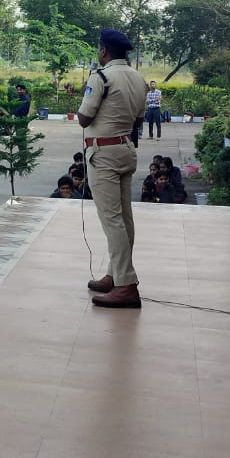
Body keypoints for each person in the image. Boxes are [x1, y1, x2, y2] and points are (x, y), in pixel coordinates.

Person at [78, 27, 147, 309]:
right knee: (124, 218)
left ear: (104, 51)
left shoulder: (101, 77)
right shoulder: (138, 78)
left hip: (103, 153)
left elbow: (84, 118)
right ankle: (115, 274)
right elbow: (138, 120)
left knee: (112, 220)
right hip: (125, 149)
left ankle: (126, 285)